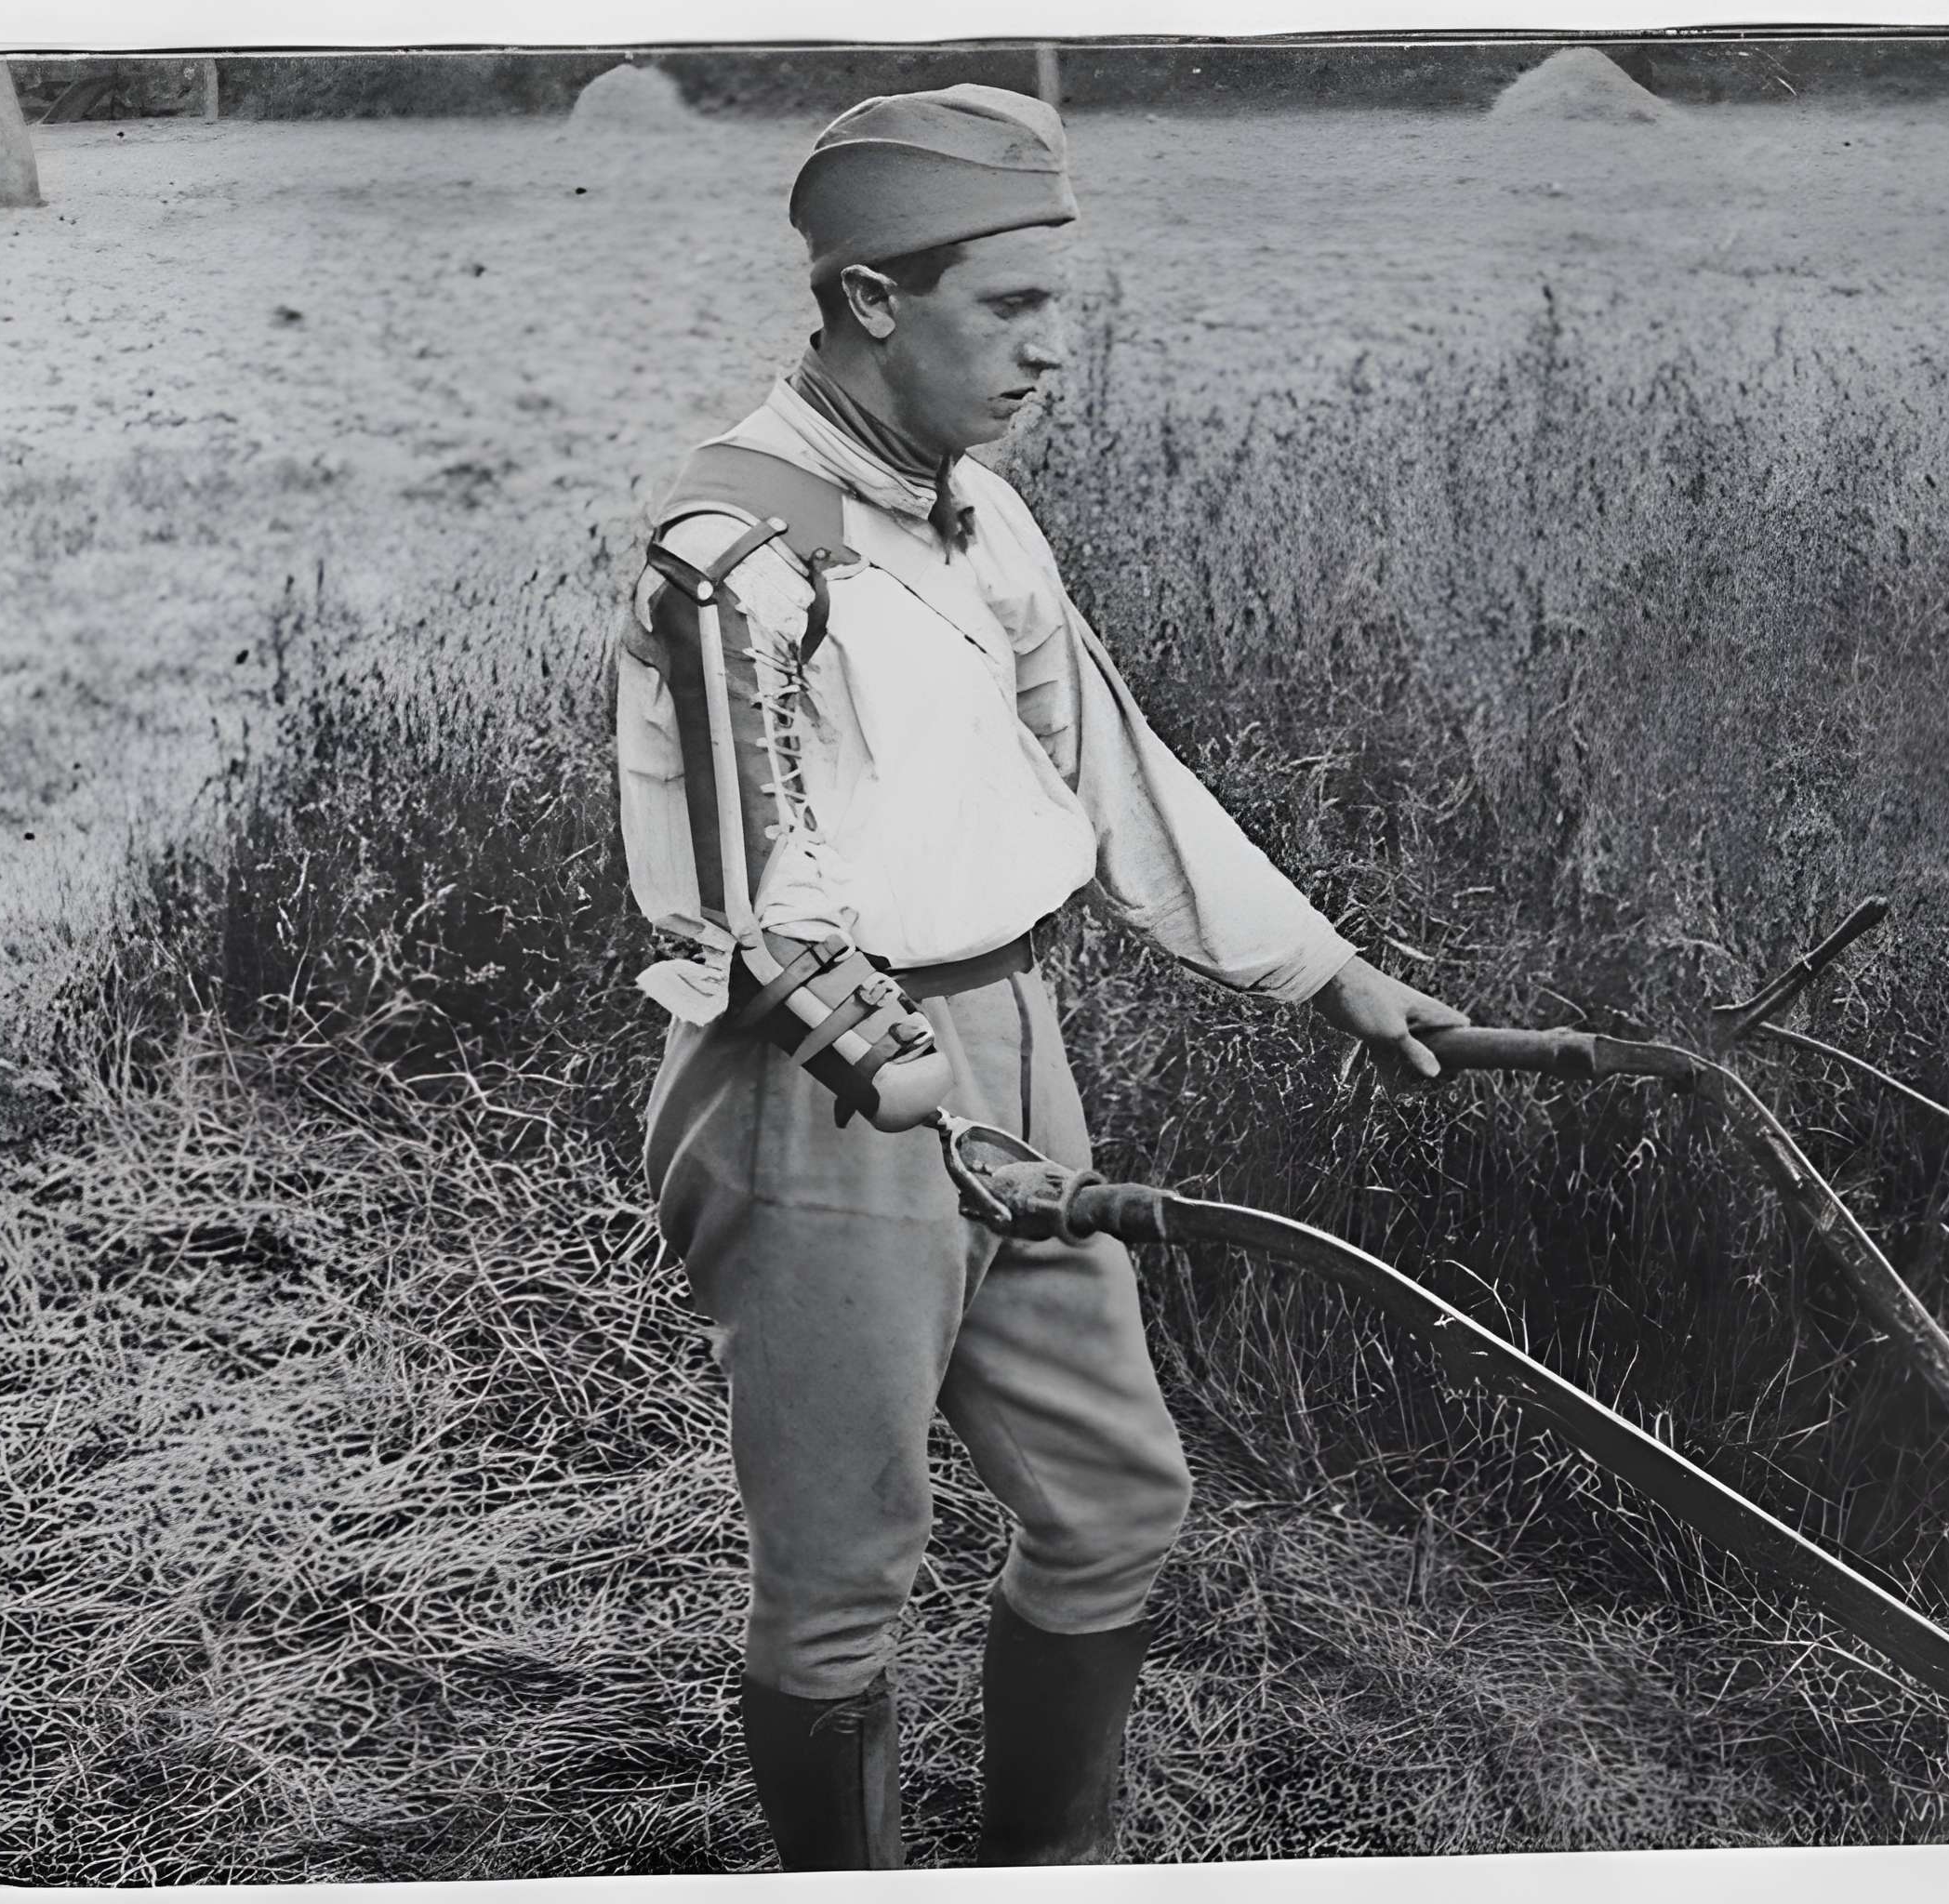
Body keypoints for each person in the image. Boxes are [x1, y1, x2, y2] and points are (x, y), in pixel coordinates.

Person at [611, 83, 1466, 1871]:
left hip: (1014, 1036)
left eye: (1054, 307)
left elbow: (1113, 769)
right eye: (1009, 308)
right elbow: (740, 907)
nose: (1053, 351)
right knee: (848, 1573)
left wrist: (1328, 975)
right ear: (865, 300)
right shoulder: (736, 553)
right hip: (824, 1085)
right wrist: (910, 1088)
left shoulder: (980, 520)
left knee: (1114, 1501)